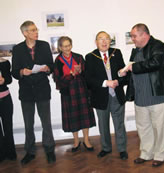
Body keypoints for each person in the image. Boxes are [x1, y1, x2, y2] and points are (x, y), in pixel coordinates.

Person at [119, 23, 164, 167]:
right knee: (143, 127)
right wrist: (123, 72)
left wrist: (132, 67)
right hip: (140, 96)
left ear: (144, 34)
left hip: (156, 95)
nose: (132, 39)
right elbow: (131, 67)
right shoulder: (135, 50)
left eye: (134, 36)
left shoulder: (159, 46)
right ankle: (146, 153)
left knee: (160, 127)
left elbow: (155, 63)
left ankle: (160, 155)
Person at [11, 20, 56, 165]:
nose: (36, 32)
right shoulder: (17, 49)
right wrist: (22, 72)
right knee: (28, 124)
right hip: (26, 92)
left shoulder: (44, 45)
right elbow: (14, 72)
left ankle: (49, 150)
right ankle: (30, 151)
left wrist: (47, 68)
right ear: (25, 33)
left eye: (36, 29)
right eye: (32, 30)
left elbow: (51, 65)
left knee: (46, 123)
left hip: (42, 88)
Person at [85, 31, 128, 160]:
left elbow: (123, 73)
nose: (104, 42)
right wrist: (105, 83)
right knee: (103, 124)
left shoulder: (117, 53)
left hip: (117, 95)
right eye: (101, 39)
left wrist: (118, 79)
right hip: (100, 96)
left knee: (119, 123)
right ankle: (106, 148)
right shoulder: (90, 57)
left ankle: (122, 149)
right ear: (96, 42)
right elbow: (88, 79)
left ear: (110, 41)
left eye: (107, 39)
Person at [53, 36, 96, 152]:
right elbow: (58, 80)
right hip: (68, 91)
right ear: (60, 47)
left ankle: (86, 140)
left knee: (84, 115)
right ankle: (76, 141)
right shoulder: (58, 61)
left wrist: (80, 71)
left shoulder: (78, 57)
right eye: (65, 46)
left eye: (69, 45)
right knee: (73, 117)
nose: (67, 48)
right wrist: (71, 74)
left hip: (81, 89)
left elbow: (87, 74)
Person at [0, 57, 17, 163]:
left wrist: (4, 80)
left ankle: (11, 153)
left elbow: (9, 80)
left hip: (5, 98)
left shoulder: (4, 62)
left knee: (8, 126)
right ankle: (1, 154)